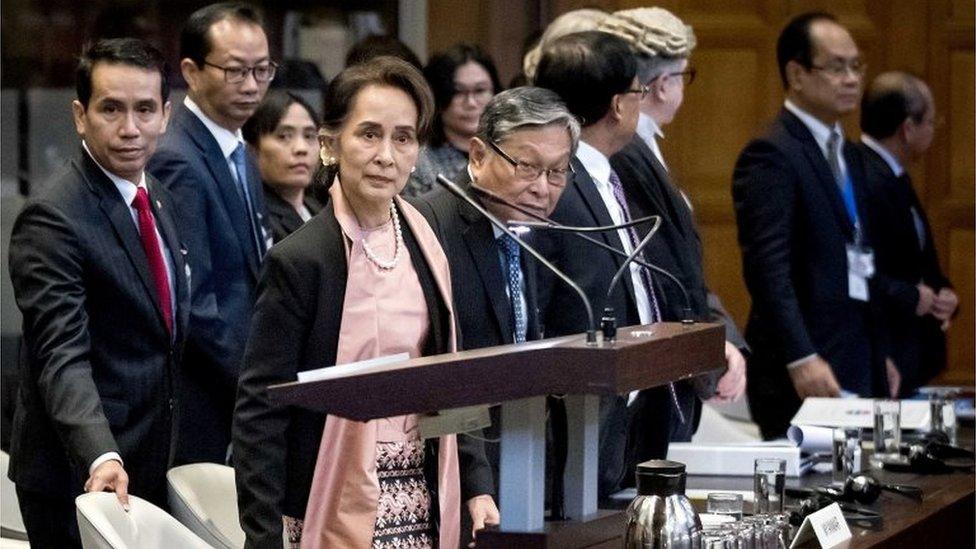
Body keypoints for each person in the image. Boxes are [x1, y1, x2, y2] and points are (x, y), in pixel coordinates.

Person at [234, 56, 497, 549]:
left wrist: (477, 484)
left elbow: (449, 375)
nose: (386, 155)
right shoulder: (301, 259)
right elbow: (259, 411)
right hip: (324, 497)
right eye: (369, 134)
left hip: (421, 491)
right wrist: (262, 534)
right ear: (331, 145)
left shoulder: (428, 240)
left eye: (403, 137)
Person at [7, 38, 187, 547]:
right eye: (111, 108)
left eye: (144, 109)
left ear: (165, 115)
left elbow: (165, 337)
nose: (130, 128)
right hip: (78, 478)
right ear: (80, 116)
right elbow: (61, 356)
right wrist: (101, 454)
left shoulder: (159, 199)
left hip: (150, 463)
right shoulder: (53, 217)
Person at [414, 86, 579, 515]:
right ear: (478, 155)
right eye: (527, 167)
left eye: (558, 171)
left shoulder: (523, 228)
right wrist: (475, 482)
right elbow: (440, 369)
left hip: (518, 461)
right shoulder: (431, 225)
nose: (542, 188)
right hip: (450, 475)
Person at [732, 12, 891, 439]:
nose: (851, 79)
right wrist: (800, 356)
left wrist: (880, 354)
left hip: (855, 354)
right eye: (836, 67)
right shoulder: (771, 154)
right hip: (800, 367)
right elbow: (768, 270)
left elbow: (860, 257)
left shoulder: (849, 153)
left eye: (856, 66)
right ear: (796, 74)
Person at [533, 30, 675, 499]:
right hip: (580, 420)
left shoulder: (606, 174)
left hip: (626, 407)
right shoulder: (558, 186)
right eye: (638, 92)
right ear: (618, 104)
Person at [600, 7, 747, 442]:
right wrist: (707, 348)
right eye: (685, 76)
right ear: (663, 84)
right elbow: (664, 270)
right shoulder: (626, 152)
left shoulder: (641, 147)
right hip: (657, 370)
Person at [147, 2, 273, 465]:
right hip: (207, 395)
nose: (252, 85)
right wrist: (255, 383)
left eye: (262, 70)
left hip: (238, 388)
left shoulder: (238, 147)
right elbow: (193, 301)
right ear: (192, 72)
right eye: (236, 71)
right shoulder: (178, 158)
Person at [858, 72, 958, 395]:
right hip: (884, 353)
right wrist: (912, 295)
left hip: (909, 352)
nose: (935, 129)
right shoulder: (864, 179)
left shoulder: (894, 174)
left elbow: (916, 259)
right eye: (931, 121)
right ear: (908, 128)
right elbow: (857, 272)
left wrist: (944, 294)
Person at [404, 44, 502, 197]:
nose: (471, 102)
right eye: (458, 92)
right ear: (438, 96)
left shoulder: (508, 152)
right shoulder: (419, 163)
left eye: (480, 90)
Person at [243, 91, 323, 243]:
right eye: (284, 136)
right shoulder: (254, 220)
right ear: (252, 149)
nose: (301, 148)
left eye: (309, 136)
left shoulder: (321, 211)